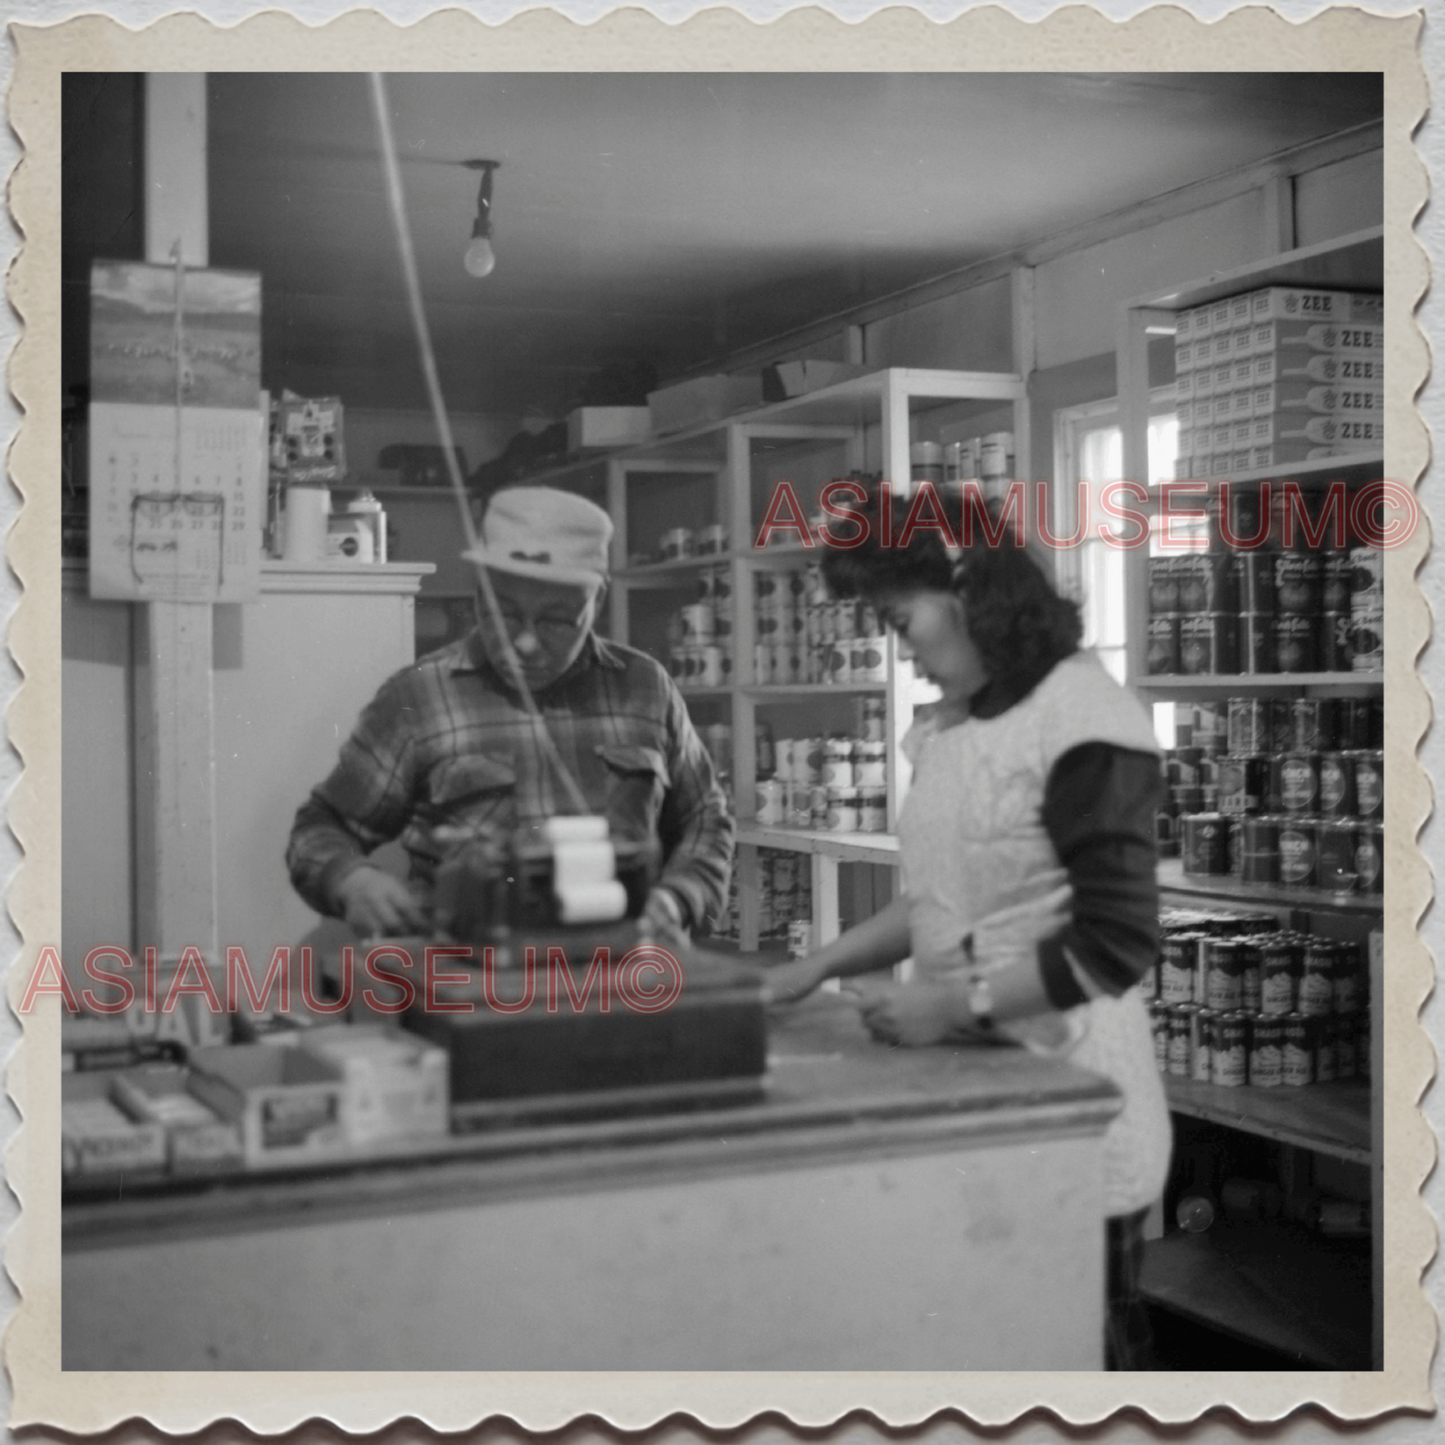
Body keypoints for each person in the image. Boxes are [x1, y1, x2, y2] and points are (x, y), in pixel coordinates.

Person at [767, 487, 1170, 1371]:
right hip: (981, 1088)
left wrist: (955, 1004)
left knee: (1073, 1372)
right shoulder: (961, 724)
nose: (900, 647)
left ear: (967, 592)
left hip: (1075, 1099)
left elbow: (1116, 941)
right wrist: (815, 968)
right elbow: (949, 894)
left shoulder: (1084, 722)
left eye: (900, 617)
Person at [286, 486, 734, 941]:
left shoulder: (645, 687)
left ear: (596, 603)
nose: (525, 643)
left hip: (622, 970)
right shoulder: (420, 698)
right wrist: (353, 881)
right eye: (505, 614)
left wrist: (678, 899)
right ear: (479, 593)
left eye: (557, 620)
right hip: (472, 984)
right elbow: (320, 828)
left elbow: (705, 819)